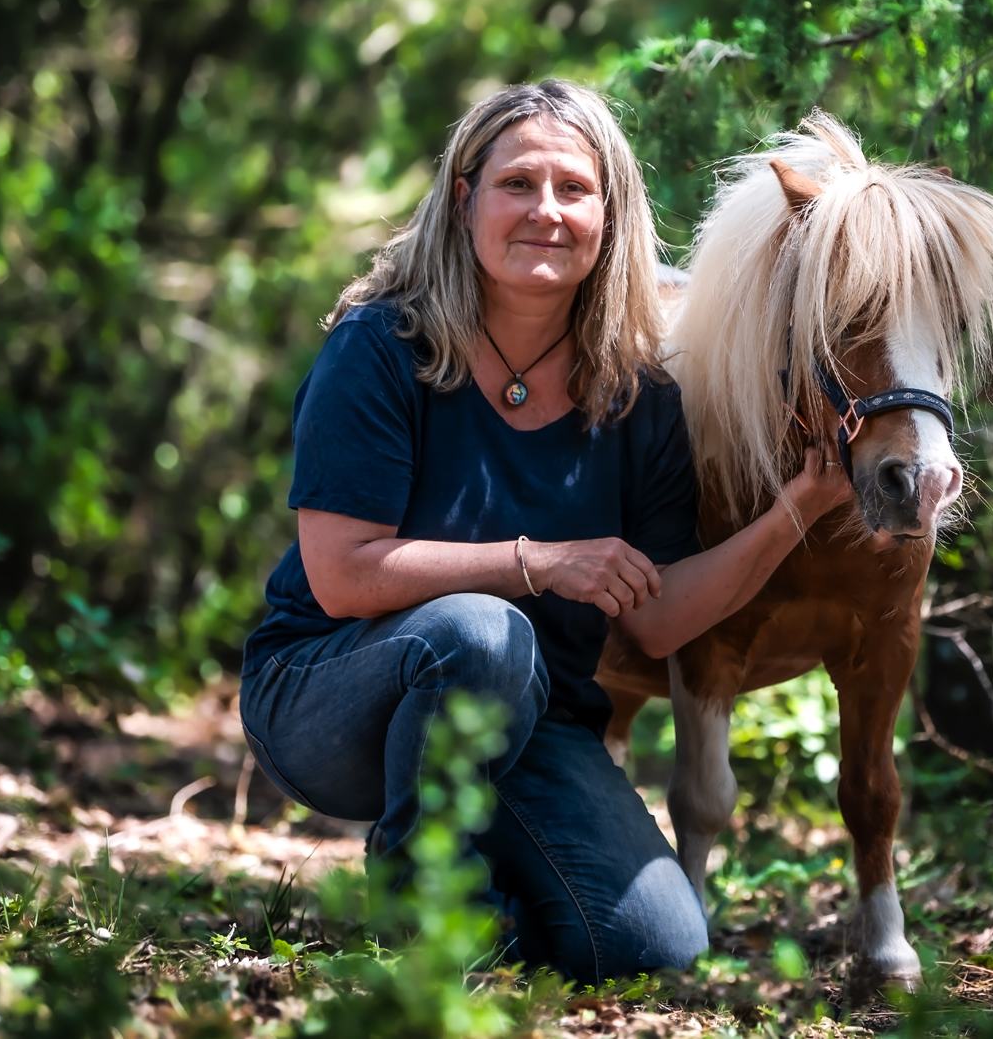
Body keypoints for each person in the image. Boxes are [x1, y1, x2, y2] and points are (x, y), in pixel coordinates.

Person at [237, 79, 851, 983]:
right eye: (518, 184)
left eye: (575, 189)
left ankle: (493, 905)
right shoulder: (380, 348)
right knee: (483, 629)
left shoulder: (642, 397)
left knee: (654, 944)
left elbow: (656, 619)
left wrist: (797, 506)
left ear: (612, 213)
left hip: (528, 720)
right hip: (329, 693)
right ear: (465, 197)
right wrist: (540, 562)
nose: (547, 211)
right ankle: (428, 913)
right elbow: (342, 575)